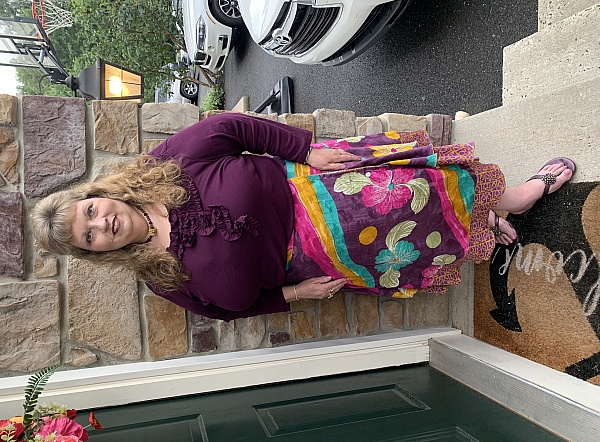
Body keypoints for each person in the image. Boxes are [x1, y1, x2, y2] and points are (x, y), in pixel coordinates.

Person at [31, 113, 575, 321]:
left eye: (90, 212)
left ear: (96, 196)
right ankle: (486, 226)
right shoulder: (159, 279)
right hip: (323, 259)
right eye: (89, 237)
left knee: (422, 193)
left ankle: (516, 198)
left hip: (320, 191)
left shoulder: (163, 166)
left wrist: (304, 149)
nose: (100, 224)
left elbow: (230, 128)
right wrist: (292, 295)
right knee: (417, 243)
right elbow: (227, 313)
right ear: (95, 251)